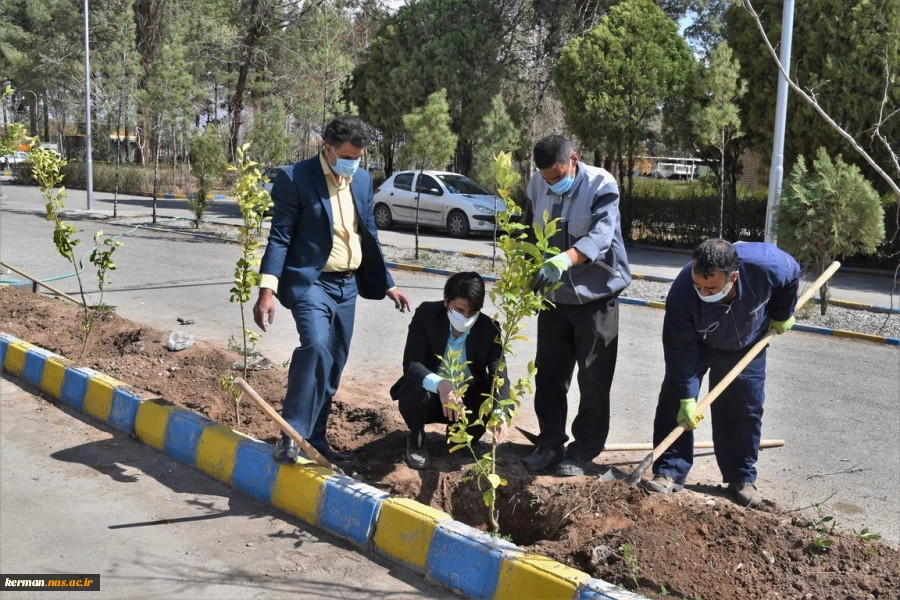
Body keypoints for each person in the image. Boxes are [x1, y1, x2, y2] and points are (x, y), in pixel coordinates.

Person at [254, 115, 411, 465]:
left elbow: (368, 234)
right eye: (348, 155)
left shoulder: (362, 180)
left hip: (348, 285)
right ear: (327, 148)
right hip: (312, 283)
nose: (354, 162)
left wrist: (389, 284)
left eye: (359, 156)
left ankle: (317, 438)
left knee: (333, 363)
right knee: (314, 346)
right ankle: (292, 436)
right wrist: (267, 289)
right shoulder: (295, 178)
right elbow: (280, 236)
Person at [644, 239, 800, 507]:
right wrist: (686, 398)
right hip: (699, 344)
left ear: (734, 276)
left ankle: (741, 477)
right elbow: (679, 350)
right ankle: (669, 471)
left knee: (744, 408)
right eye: (698, 285)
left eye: (711, 287)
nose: (703, 292)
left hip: (747, 343)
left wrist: (782, 313)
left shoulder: (768, 265)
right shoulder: (682, 292)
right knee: (674, 400)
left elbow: (792, 274)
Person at [521, 135, 631, 477]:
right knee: (550, 375)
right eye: (546, 177)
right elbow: (527, 230)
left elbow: (601, 234)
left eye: (557, 175)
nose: (551, 183)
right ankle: (550, 442)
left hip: (595, 298)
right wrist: (525, 269)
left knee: (593, 378)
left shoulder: (602, 184)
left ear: (574, 159)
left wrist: (565, 260)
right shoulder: (537, 183)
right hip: (554, 299)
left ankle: (583, 451)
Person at [390, 272, 509, 469]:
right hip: (430, 398)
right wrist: (441, 385)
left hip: (466, 402)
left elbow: (500, 375)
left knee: (487, 397)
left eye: (473, 312)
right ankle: (416, 440)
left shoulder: (489, 329)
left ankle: (461, 440)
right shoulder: (427, 315)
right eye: (460, 310)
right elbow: (412, 364)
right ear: (446, 301)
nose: (466, 317)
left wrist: (501, 413)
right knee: (412, 389)